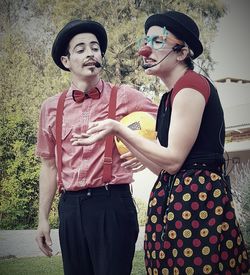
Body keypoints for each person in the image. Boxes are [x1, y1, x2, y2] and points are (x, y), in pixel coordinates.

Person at [71, 11, 250, 275]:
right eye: (147, 41)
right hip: (175, 198)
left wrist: (117, 126)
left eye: (157, 41)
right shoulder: (168, 98)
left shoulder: (191, 85)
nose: (146, 50)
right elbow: (164, 170)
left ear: (181, 52)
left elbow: (174, 160)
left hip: (198, 202)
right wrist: (122, 138)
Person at [35, 19, 158, 275]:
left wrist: (147, 148)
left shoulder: (125, 95)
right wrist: (43, 218)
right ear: (66, 61)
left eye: (95, 47)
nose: (90, 53)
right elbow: (48, 166)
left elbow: (167, 121)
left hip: (112, 203)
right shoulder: (50, 107)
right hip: (70, 208)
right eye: (80, 49)